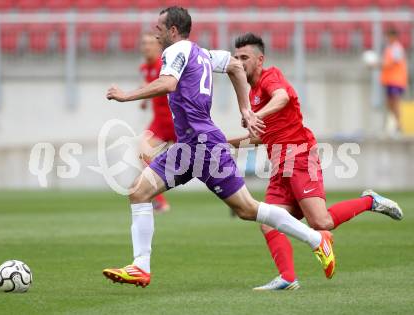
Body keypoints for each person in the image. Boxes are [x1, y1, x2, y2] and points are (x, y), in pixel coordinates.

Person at [102, 7, 336, 288]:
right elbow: (235, 67)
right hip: (189, 146)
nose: (155, 32)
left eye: (160, 28)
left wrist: (127, 95)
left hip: (204, 144)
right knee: (139, 192)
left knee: (248, 209)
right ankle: (140, 266)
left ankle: (316, 239)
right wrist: (246, 110)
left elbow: (168, 83)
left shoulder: (175, 52)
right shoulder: (202, 54)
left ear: (173, 31)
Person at [228, 33, 404, 290]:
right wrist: (223, 143)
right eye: (236, 57)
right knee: (268, 223)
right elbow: (259, 136)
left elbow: (282, 98)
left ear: (259, 59)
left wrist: (255, 114)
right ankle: (288, 278)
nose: (239, 62)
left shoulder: (270, 76)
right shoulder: (250, 93)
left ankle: (371, 201)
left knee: (321, 223)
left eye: (245, 57)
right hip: (280, 165)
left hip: (299, 156)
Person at [138, 32, 177, 212]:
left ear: (158, 47)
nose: (146, 47)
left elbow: (166, 86)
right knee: (143, 152)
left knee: (205, 162)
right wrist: (144, 100)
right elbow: (148, 85)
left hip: (176, 122)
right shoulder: (145, 68)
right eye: (144, 43)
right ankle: (159, 201)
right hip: (160, 123)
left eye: (150, 43)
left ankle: (234, 193)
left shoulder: (164, 66)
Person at [380, 27, 408, 135]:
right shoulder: (390, 48)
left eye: (389, 36)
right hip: (390, 80)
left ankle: (399, 125)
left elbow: (393, 62)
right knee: (389, 103)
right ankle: (394, 123)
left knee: (395, 102)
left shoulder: (397, 48)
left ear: (393, 36)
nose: (387, 38)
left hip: (397, 80)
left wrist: (377, 64)